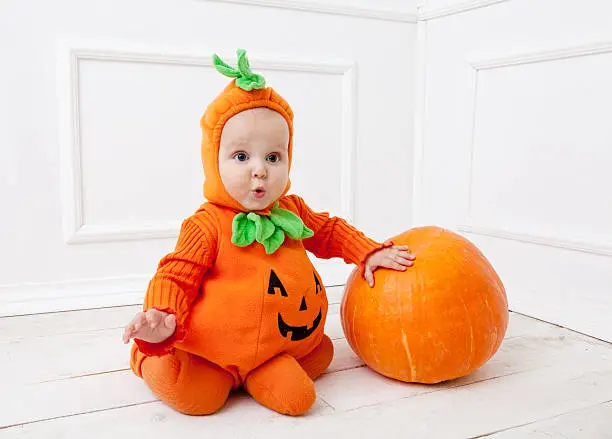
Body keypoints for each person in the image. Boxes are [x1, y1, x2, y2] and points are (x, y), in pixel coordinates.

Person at [122, 49, 415, 416]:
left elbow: (330, 231)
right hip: (210, 350)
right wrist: (162, 316)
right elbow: (175, 274)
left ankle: (258, 369)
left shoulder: (292, 211)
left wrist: (368, 252)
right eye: (241, 157)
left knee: (303, 392)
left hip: (275, 346)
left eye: (273, 157)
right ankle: (151, 356)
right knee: (199, 400)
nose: (259, 170)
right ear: (213, 161)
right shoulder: (206, 224)